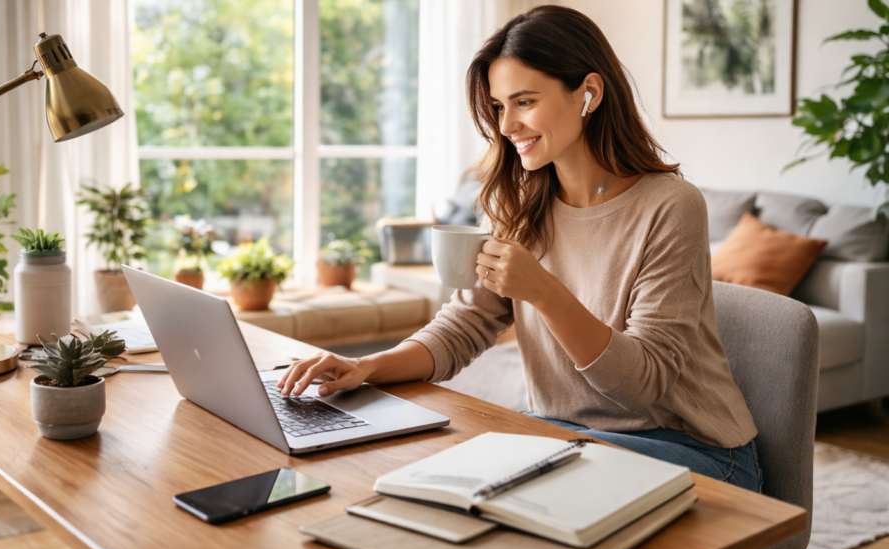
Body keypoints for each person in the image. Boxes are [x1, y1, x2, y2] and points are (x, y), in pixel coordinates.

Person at [278, 5, 761, 492]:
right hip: (566, 436)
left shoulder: (670, 206)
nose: (507, 125)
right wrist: (367, 367)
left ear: (588, 93)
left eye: (524, 102)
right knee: (430, 480)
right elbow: (465, 324)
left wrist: (544, 293)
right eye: (498, 106)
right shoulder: (520, 200)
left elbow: (643, 387)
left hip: (689, 449)